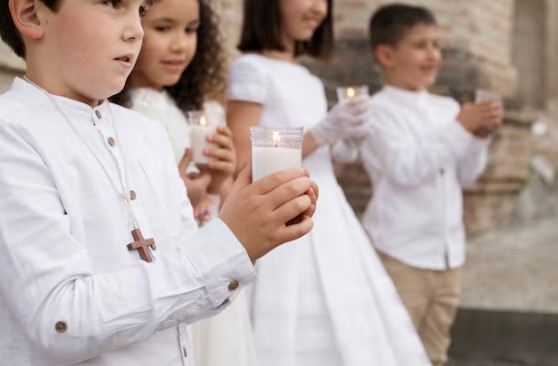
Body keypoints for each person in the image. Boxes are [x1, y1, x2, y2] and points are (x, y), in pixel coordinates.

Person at [0, 0, 318, 365]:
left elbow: (189, 292)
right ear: (30, 14)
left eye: (141, 9)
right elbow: (60, 319)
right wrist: (230, 243)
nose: (136, 29)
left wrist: (246, 230)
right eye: (113, 4)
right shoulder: (11, 134)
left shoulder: (146, 133)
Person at [226, 1, 431, 365]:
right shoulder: (251, 69)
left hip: (329, 214)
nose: (318, 9)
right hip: (283, 223)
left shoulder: (309, 78)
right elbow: (245, 165)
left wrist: (346, 143)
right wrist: (323, 132)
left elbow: (321, 166)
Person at [111, 0, 256, 364]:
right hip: (167, 277)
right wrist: (180, 195)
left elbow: (218, 200)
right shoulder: (121, 115)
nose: (180, 45)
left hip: (211, 262)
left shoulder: (203, 111)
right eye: (163, 29)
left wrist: (221, 179)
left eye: (191, 30)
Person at [360, 4, 503, 366]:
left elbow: (466, 175)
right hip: (400, 255)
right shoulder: (376, 111)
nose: (433, 55)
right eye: (421, 45)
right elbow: (405, 169)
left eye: (436, 45)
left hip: (447, 255)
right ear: (386, 54)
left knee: (434, 355)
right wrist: (460, 128)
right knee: (391, 352)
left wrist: (478, 137)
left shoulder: (446, 107)